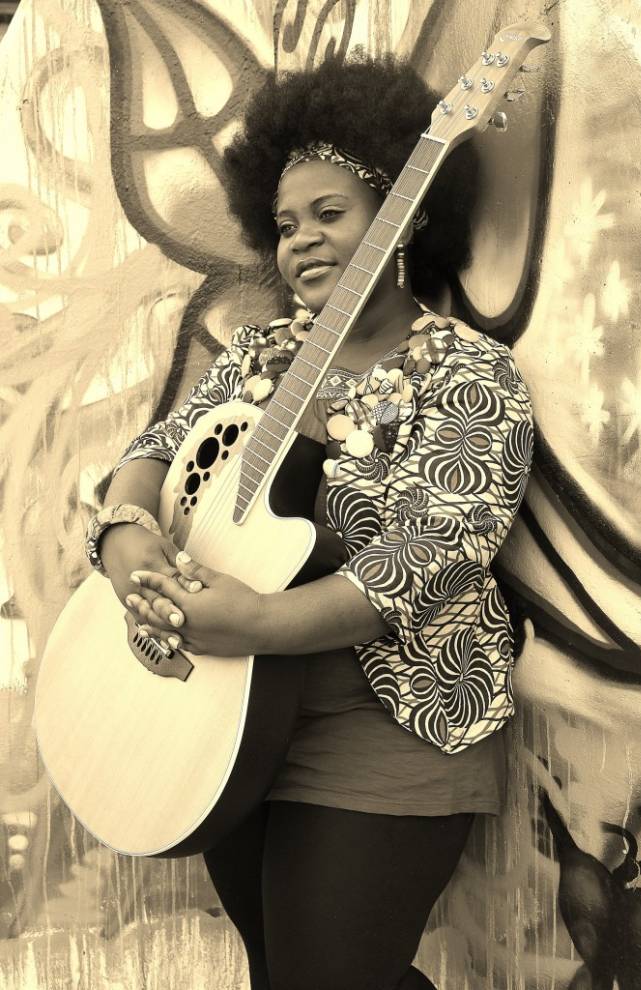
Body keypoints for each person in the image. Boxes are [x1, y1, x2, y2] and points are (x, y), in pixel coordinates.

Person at [84, 55, 533, 990]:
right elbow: (157, 451)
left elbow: (430, 554)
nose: (302, 241)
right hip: (228, 715)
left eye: (330, 213)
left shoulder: (468, 373)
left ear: (402, 215)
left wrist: (254, 620)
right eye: (286, 225)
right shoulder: (258, 354)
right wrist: (130, 547)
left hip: (389, 719)